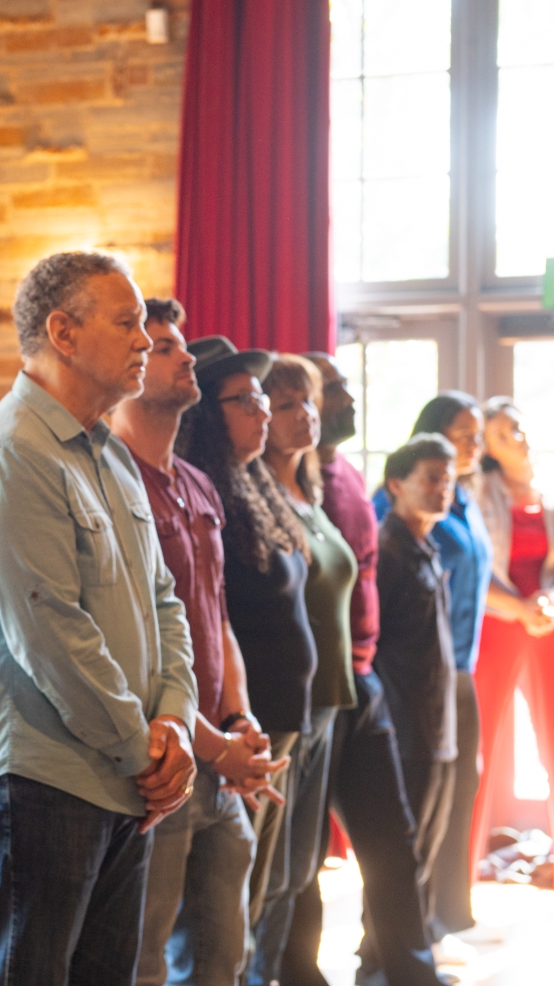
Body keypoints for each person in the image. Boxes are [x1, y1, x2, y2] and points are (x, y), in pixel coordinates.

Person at [0, 253, 199, 986]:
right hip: (46, 778)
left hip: (129, 771)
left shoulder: (111, 455)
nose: (144, 340)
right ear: (62, 333)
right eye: (127, 323)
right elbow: (51, 635)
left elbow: (164, 600)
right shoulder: (12, 451)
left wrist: (176, 722)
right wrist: (143, 749)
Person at [110, 299, 284, 986]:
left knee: (223, 957)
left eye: (181, 345)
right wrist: (212, 745)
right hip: (163, 760)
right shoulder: (113, 478)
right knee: (145, 960)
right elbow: (135, 642)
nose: (187, 357)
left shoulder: (198, 483)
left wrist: (239, 720)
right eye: (164, 347)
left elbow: (217, 617)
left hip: (217, 755)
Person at [280, 353, 448, 986]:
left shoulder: (346, 477)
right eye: (332, 389)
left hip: (363, 680)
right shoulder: (287, 483)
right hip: (313, 688)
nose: (345, 399)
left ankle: (408, 973)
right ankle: (300, 973)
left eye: (345, 388)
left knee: (393, 842)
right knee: (303, 855)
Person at [175, 336, 313, 941]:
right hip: (232, 724)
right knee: (223, 909)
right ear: (208, 412)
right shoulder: (202, 488)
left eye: (263, 399)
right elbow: (210, 617)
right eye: (246, 400)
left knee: (264, 888)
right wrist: (235, 719)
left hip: (269, 715)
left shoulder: (252, 483)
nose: (262, 412)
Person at [471, 397, 554, 912]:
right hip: (498, 624)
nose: (517, 439)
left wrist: (552, 600)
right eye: (503, 436)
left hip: (551, 625)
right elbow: (473, 568)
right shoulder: (477, 491)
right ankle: (458, 880)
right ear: (490, 447)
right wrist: (518, 608)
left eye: (518, 428)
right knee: (477, 753)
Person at [374, 393, 493, 957]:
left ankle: (431, 929)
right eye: (463, 435)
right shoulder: (391, 537)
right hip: (408, 694)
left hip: (453, 672)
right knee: (407, 827)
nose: (442, 486)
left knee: (447, 801)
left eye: (476, 438)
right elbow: (378, 635)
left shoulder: (454, 507)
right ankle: (391, 951)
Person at [251, 355, 356, 986]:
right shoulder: (256, 496)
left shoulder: (310, 494)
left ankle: (279, 972)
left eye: (308, 401)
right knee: (271, 868)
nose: (303, 415)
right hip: (285, 701)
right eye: (285, 404)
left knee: (299, 865)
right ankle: (258, 973)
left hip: (328, 697)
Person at [370, 435, 460, 980]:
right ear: (396, 485)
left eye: (448, 479)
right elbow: (373, 643)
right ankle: (381, 964)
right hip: (404, 723)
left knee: (423, 848)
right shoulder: (387, 550)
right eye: (431, 478)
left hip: (434, 718)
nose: (442, 489)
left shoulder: (426, 544)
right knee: (399, 854)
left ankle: (402, 956)